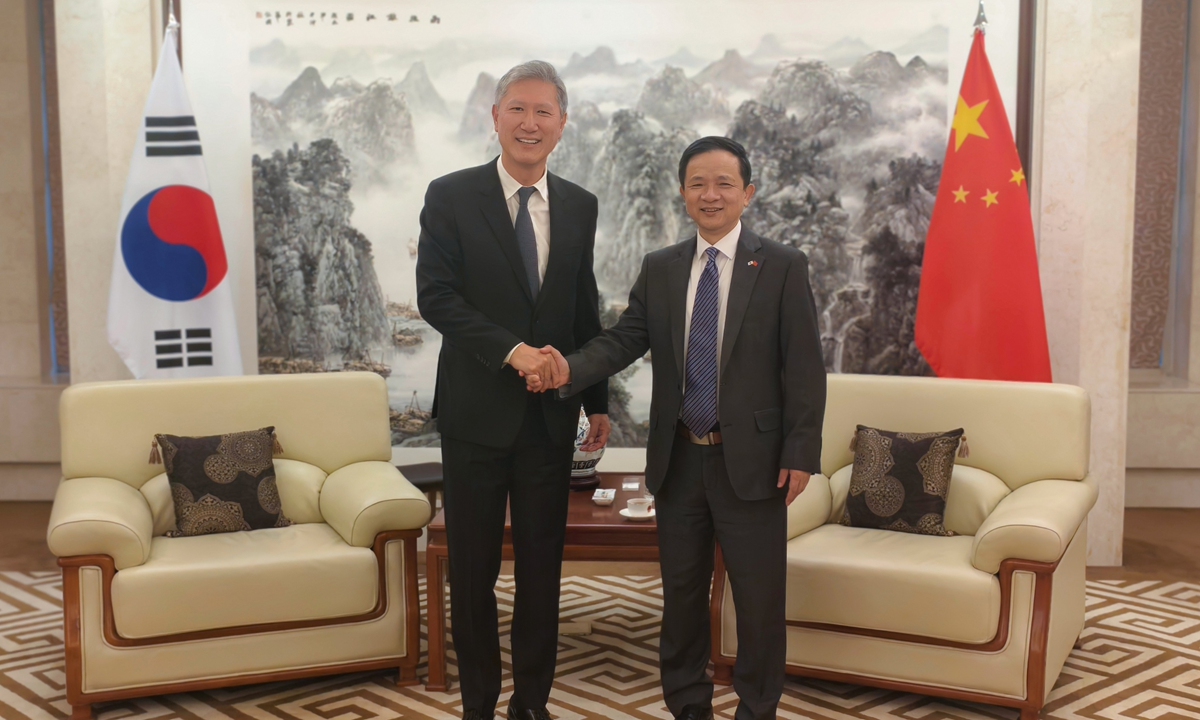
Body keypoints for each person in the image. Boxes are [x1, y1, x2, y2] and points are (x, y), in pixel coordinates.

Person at [527, 137, 827, 720]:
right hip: (678, 460)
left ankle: (757, 709)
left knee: (760, 603)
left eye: (723, 184)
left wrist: (801, 452)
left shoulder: (784, 266)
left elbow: (805, 368)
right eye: (698, 183)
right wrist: (567, 367)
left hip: (755, 464)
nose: (710, 195)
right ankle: (688, 708)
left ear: (748, 193)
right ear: (683, 193)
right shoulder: (662, 267)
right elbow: (623, 339)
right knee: (681, 599)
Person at [415, 60, 610, 720]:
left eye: (544, 112)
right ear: (494, 117)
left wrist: (598, 399)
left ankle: (531, 704)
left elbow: (584, 304)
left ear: (562, 126)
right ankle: (478, 704)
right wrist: (513, 351)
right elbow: (436, 297)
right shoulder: (450, 194)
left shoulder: (579, 204)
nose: (530, 122)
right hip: (475, 418)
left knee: (540, 574)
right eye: (517, 109)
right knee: (472, 573)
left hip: (550, 423)